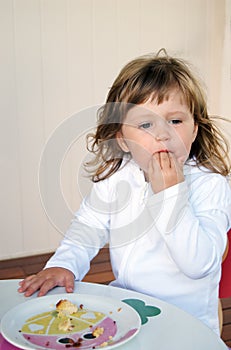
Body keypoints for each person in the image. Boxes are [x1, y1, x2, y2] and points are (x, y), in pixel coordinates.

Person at [18, 49, 231, 335]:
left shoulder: (211, 185)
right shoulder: (118, 178)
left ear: (195, 130)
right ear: (122, 138)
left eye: (176, 121)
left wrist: (170, 193)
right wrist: (64, 264)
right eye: (145, 124)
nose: (162, 133)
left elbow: (199, 265)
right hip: (127, 311)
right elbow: (88, 227)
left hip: (187, 327)